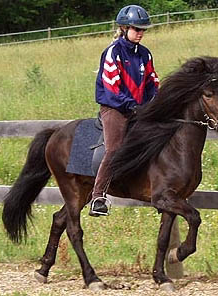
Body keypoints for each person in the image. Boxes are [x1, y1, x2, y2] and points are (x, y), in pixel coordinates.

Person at [89, 4, 159, 217]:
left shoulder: (145, 54)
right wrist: (131, 105)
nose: (140, 33)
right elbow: (111, 87)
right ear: (124, 28)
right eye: (137, 29)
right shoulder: (113, 52)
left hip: (138, 108)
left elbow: (152, 82)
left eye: (143, 30)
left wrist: (154, 102)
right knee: (115, 148)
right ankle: (98, 197)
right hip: (115, 108)